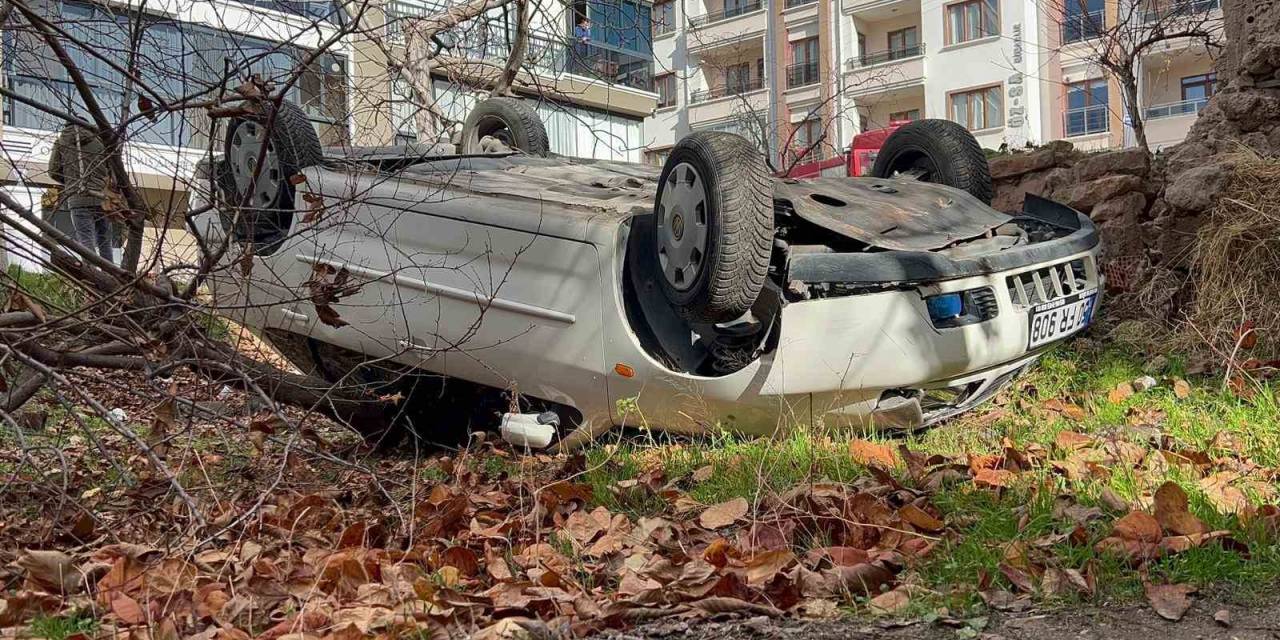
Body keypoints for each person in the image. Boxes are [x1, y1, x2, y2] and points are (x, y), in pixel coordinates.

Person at [47, 123, 114, 263]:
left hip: (78, 197)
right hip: (102, 198)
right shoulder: (99, 140)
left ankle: (91, 277)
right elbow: (112, 168)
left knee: (85, 240)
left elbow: (53, 171)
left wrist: (71, 181)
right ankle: (112, 276)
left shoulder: (61, 141)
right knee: (105, 240)